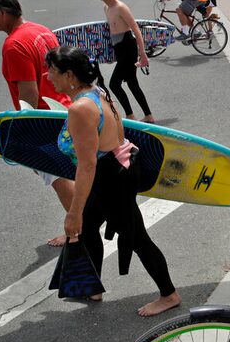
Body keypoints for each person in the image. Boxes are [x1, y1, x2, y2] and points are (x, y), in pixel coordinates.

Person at [45, 46, 181, 316]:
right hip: (118, 166)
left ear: (69, 75)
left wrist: (73, 211)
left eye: (52, 72)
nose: (48, 77)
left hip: (111, 177)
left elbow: (87, 165)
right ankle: (92, 286)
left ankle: (169, 294)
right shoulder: (97, 91)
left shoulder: (81, 109)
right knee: (89, 226)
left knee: (137, 237)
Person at [0, 0, 74, 247]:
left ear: (4, 12)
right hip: (61, 110)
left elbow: (28, 94)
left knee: (56, 176)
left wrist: (23, 134)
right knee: (68, 172)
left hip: (42, 120)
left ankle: (77, 231)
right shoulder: (40, 30)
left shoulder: (14, 45)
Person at [93, 0, 154, 123]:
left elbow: (136, 30)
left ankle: (130, 115)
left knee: (114, 84)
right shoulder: (106, 8)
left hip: (128, 45)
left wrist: (143, 54)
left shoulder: (120, 7)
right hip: (119, 47)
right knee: (132, 83)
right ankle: (148, 116)